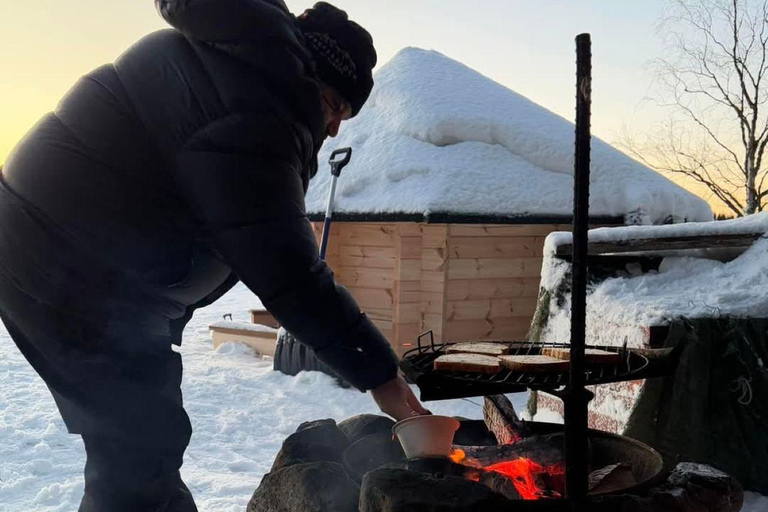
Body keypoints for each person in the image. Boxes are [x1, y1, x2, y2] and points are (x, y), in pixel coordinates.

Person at [0, 1, 428, 510]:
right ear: (317, 79)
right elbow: (286, 270)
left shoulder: (234, 70)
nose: (334, 129)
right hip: (67, 268)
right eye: (337, 107)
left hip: (66, 258)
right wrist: (384, 377)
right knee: (138, 445)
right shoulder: (256, 106)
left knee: (138, 439)